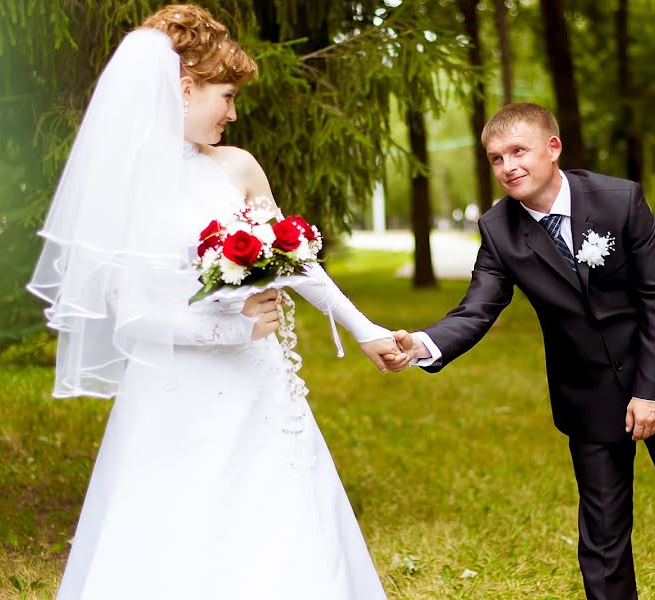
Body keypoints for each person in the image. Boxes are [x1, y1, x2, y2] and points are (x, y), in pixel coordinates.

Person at [27, 5, 405, 598]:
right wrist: (236, 332)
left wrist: (365, 329)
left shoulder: (237, 166)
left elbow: (297, 261)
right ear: (183, 88)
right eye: (225, 96)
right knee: (176, 528)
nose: (232, 112)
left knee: (280, 513)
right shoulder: (130, 186)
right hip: (176, 388)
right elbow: (134, 317)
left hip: (259, 383)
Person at [389, 103, 655, 600]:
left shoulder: (620, 200)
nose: (508, 167)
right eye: (496, 158)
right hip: (587, 394)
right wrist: (420, 344)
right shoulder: (499, 230)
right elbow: (478, 307)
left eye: (517, 151)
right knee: (604, 534)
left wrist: (651, 392)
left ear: (553, 148)